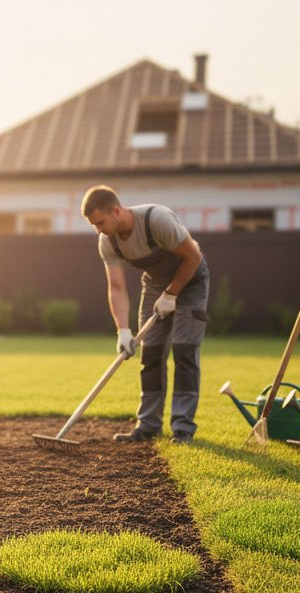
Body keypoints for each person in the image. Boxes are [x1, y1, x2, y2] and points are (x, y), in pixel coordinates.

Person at [81, 186, 209, 444]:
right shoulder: (108, 241)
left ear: (116, 211)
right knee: (150, 353)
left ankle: (183, 429)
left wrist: (172, 294)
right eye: (93, 225)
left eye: (100, 222)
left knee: (184, 352)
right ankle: (148, 425)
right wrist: (123, 330)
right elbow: (116, 287)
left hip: (191, 281)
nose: (98, 230)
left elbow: (193, 256)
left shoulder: (157, 220)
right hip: (155, 285)